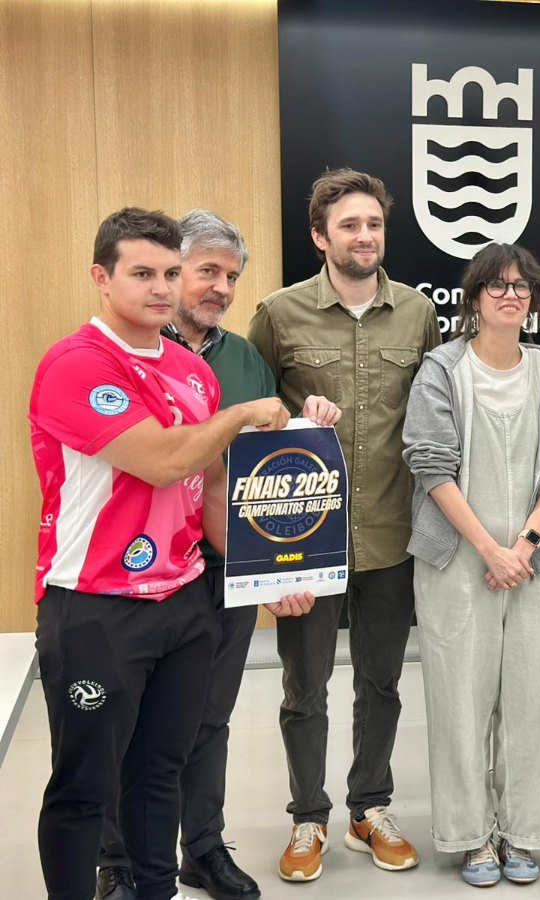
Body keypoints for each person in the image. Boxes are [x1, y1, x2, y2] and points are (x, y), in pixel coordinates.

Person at [30, 208, 301, 900]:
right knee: (85, 787)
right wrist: (242, 415)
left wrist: (263, 573)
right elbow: (158, 460)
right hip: (95, 606)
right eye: (143, 273)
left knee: (159, 775)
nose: (161, 288)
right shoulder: (76, 364)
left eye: (170, 273)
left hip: (183, 604)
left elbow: (209, 491)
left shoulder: (192, 371)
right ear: (103, 277)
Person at [94, 210, 339, 900]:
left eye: (231, 276)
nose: (220, 287)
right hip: (144, 571)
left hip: (228, 565)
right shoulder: (130, 354)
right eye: (205, 271)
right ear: (172, 271)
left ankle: (202, 846)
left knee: (208, 718)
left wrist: (308, 418)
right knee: (132, 721)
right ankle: (118, 860)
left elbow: (270, 462)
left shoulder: (242, 360)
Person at [248, 168, 441, 882]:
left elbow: (432, 422)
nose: (364, 237)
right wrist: (298, 421)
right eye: (350, 226)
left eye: (374, 225)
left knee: (382, 684)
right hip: (306, 542)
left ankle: (370, 808)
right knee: (305, 688)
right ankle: (307, 818)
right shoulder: (277, 313)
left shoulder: (418, 313)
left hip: (392, 537)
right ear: (319, 236)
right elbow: (251, 424)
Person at [402, 243, 540, 887]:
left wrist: (525, 547)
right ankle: (472, 835)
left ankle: (522, 832)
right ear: (474, 297)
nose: (511, 296)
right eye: (497, 286)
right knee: (459, 698)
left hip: (536, 560)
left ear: (533, 301)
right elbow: (429, 463)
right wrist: (489, 550)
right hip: (458, 558)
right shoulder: (441, 370)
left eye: (522, 287)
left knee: (533, 696)